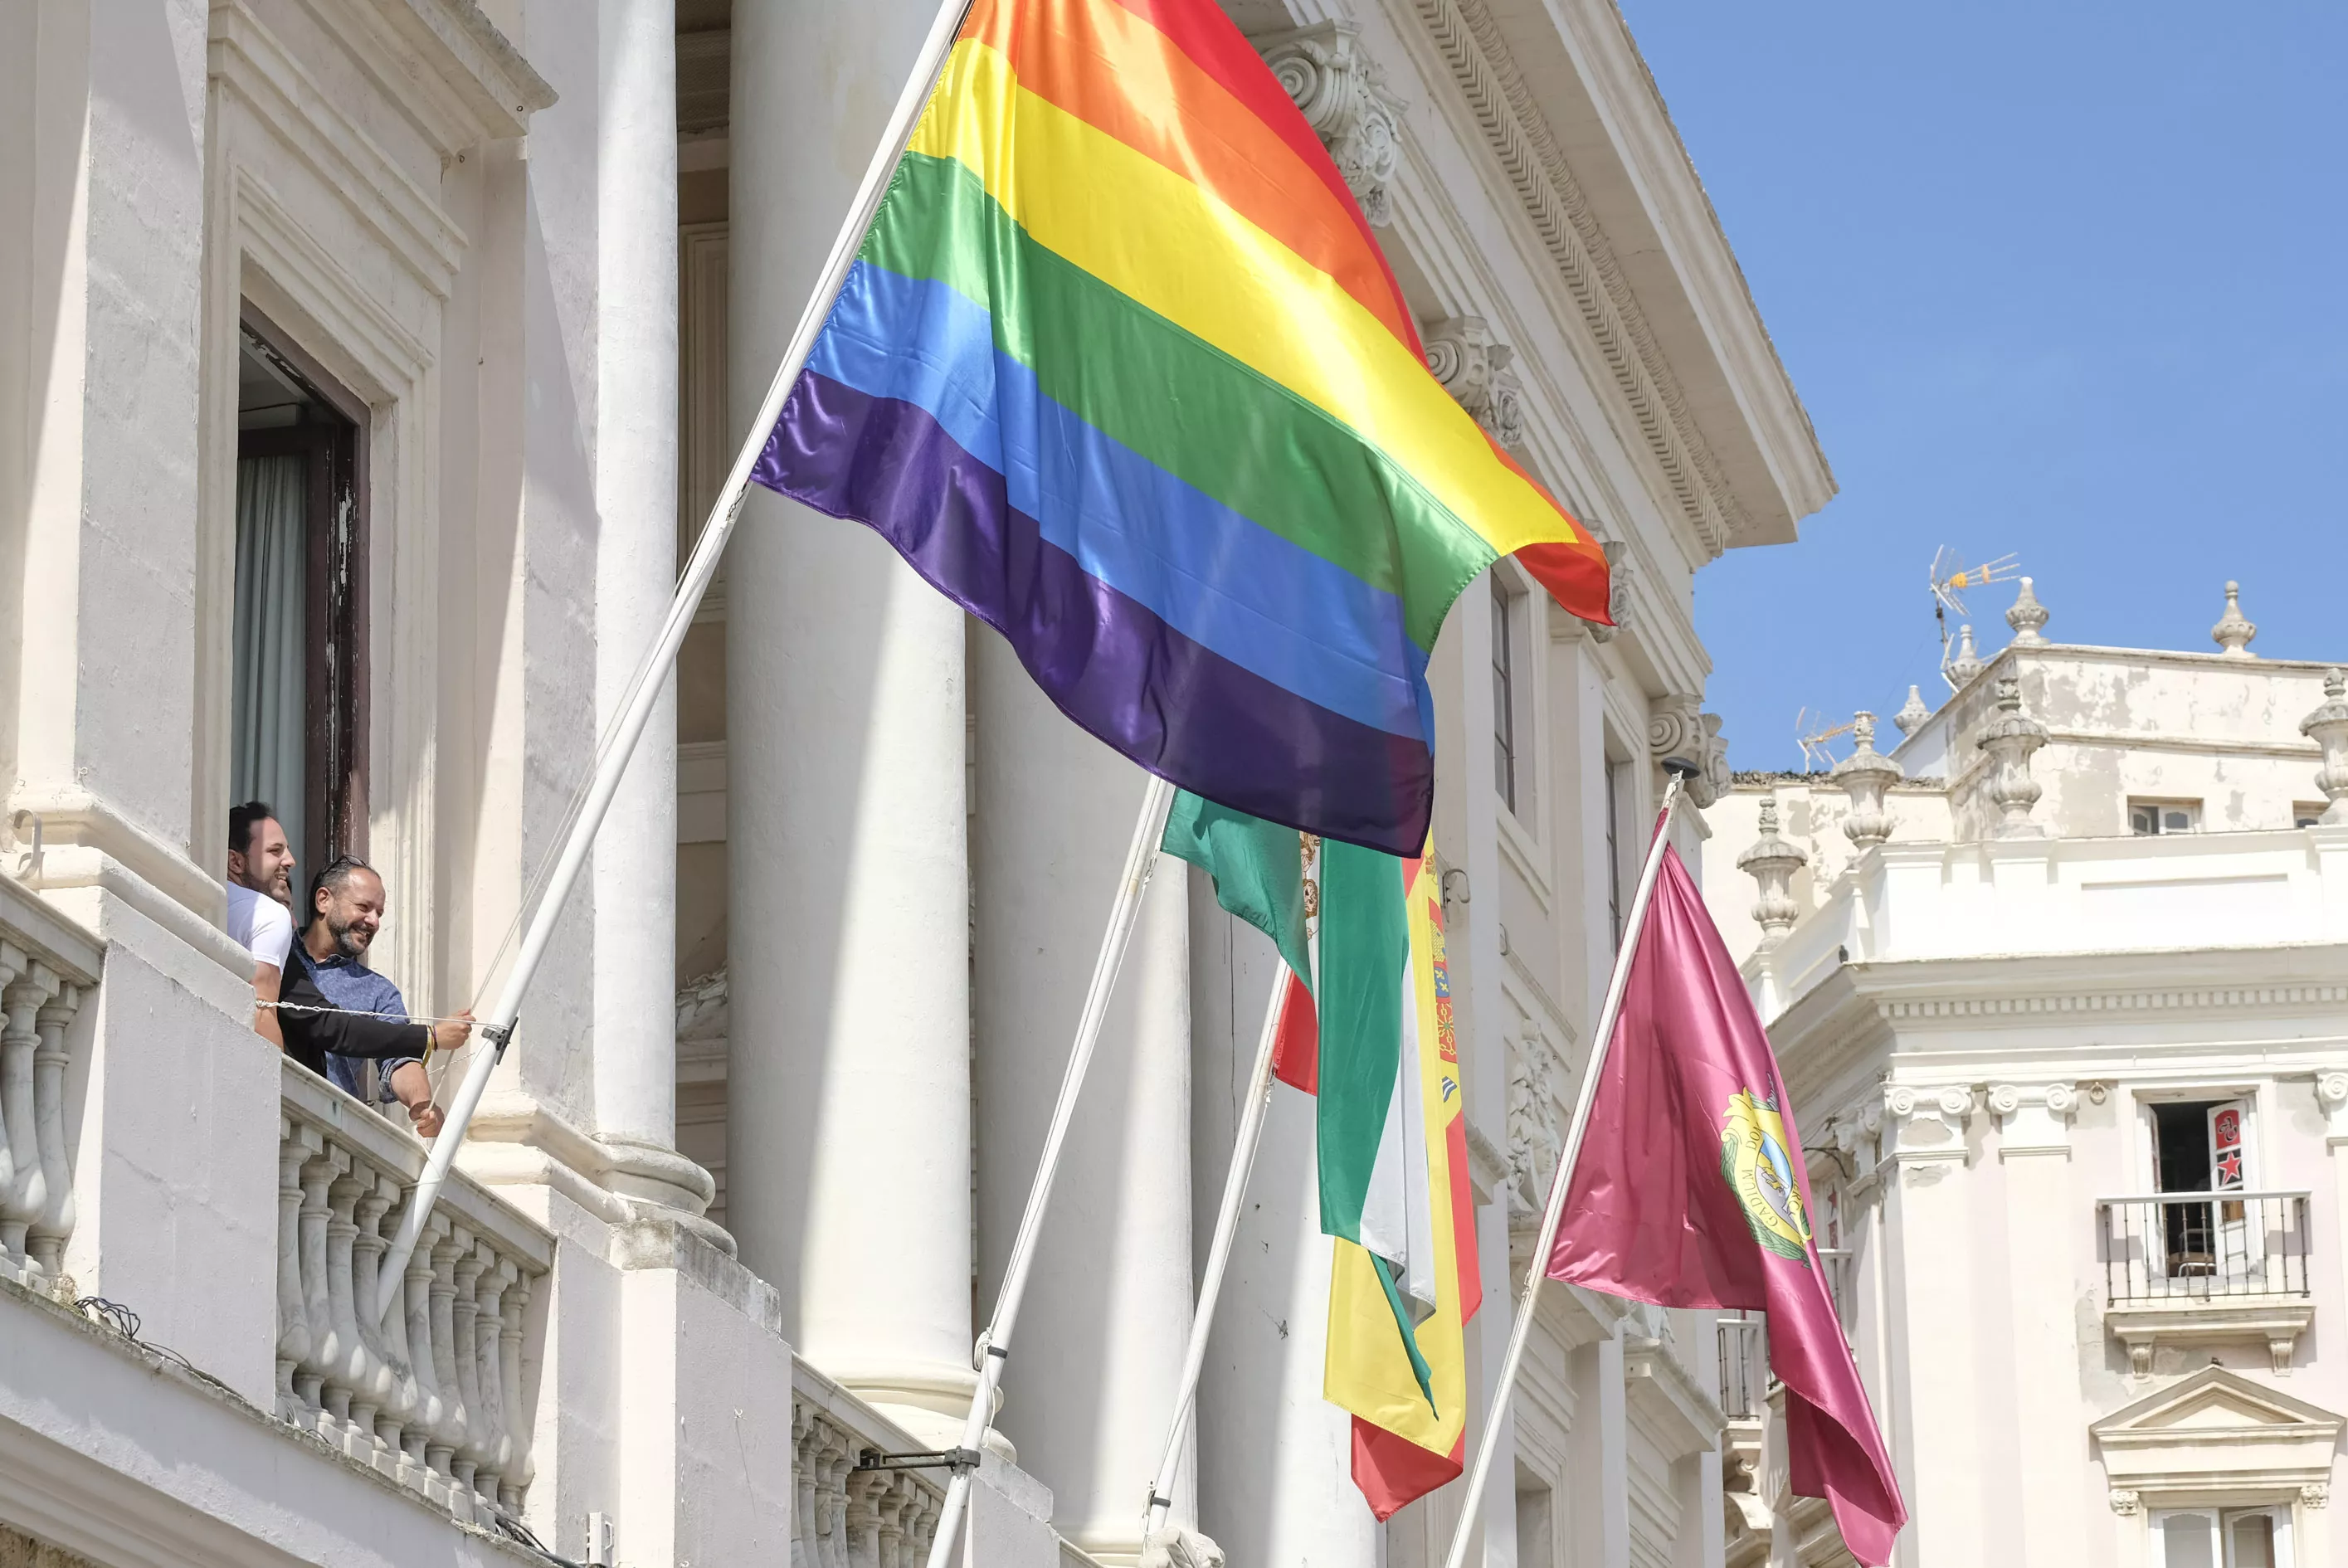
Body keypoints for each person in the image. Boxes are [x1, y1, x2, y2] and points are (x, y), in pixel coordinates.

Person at [290, 855, 467, 1138]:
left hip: (329, 1139)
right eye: (363, 907)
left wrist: (422, 1104)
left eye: (379, 913)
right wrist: (432, 1035)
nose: (373, 921)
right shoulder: (278, 951)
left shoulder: (378, 991)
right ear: (323, 900)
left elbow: (400, 1060)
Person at [225, 801, 297, 1049]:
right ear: (235, 862)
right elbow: (261, 1011)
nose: (290, 861)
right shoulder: (269, 914)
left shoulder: (197, 897)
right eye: (275, 851)